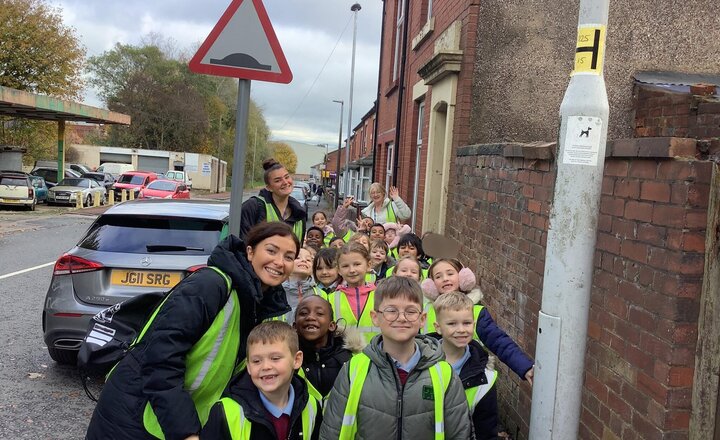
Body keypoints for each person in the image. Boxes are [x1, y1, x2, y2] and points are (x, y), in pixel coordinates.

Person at [85, 222, 300, 440]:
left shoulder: (260, 305)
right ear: (250, 251)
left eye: (289, 257)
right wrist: (185, 431)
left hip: (174, 418)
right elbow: (160, 359)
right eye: (271, 250)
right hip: (134, 416)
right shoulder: (211, 285)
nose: (279, 262)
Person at [320, 277, 473, 440]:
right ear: (375, 317)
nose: (401, 318)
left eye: (411, 311)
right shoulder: (354, 370)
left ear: (422, 319)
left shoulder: (443, 374)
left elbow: (459, 433)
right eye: (391, 310)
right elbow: (332, 430)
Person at [421, 258, 534, 385]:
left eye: (450, 273)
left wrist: (524, 366)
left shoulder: (477, 313)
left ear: (463, 277)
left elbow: (499, 341)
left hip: (471, 379)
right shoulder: (427, 311)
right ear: (430, 285)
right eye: (438, 276)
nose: (445, 279)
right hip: (432, 377)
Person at [201, 321, 322, 440]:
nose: (265, 366)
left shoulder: (311, 405)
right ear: (248, 366)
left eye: (275, 358)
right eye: (256, 361)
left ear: (296, 360)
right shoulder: (225, 412)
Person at [430, 292, 499, 439]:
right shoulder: (420, 365)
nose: (461, 329)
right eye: (452, 323)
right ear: (438, 327)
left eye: (466, 323)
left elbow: (486, 429)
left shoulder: (485, 378)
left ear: (473, 325)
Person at [294, 295, 365, 399]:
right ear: (294, 326)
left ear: (331, 326)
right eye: (304, 313)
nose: (310, 317)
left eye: (319, 313)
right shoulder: (288, 360)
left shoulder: (351, 359)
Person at [240, 158, 307, 243]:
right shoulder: (253, 207)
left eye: (287, 177)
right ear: (269, 188)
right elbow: (242, 245)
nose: (285, 182)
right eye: (278, 180)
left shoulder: (300, 214)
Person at [326, 242, 378, 343]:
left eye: (357, 264)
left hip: (375, 355)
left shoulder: (381, 296)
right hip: (342, 356)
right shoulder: (331, 298)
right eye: (345, 266)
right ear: (339, 270)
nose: (352, 270)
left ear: (368, 265)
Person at [281, 247, 317, 323]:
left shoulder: (320, 294)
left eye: (308, 260)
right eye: (297, 258)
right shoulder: (275, 291)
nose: (304, 260)